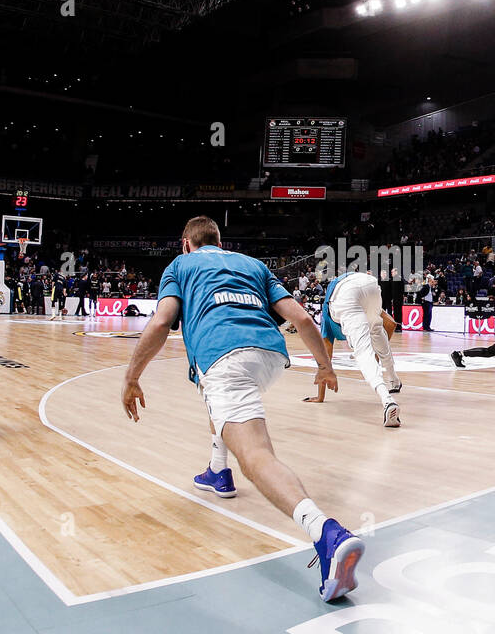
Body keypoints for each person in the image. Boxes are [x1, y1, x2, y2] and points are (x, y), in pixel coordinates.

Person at [120, 217, 362, 602]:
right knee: (214, 395)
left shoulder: (180, 266)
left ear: (186, 244)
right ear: (220, 241)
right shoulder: (253, 264)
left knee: (255, 454)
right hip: (269, 356)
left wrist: (132, 377)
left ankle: (326, 534)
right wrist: (324, 366)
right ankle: (218, 471)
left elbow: (163, 320)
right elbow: (299, 318)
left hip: (225, 356)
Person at [321, 270, 402, 427]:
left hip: (345, 294)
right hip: (370, 282)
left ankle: (387, 400)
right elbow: (391, 323)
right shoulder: (343, 284)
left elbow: (326, 352)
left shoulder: (327, 311)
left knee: (363, 351)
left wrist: (320, 396)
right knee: (376, 330)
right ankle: (394, 380)